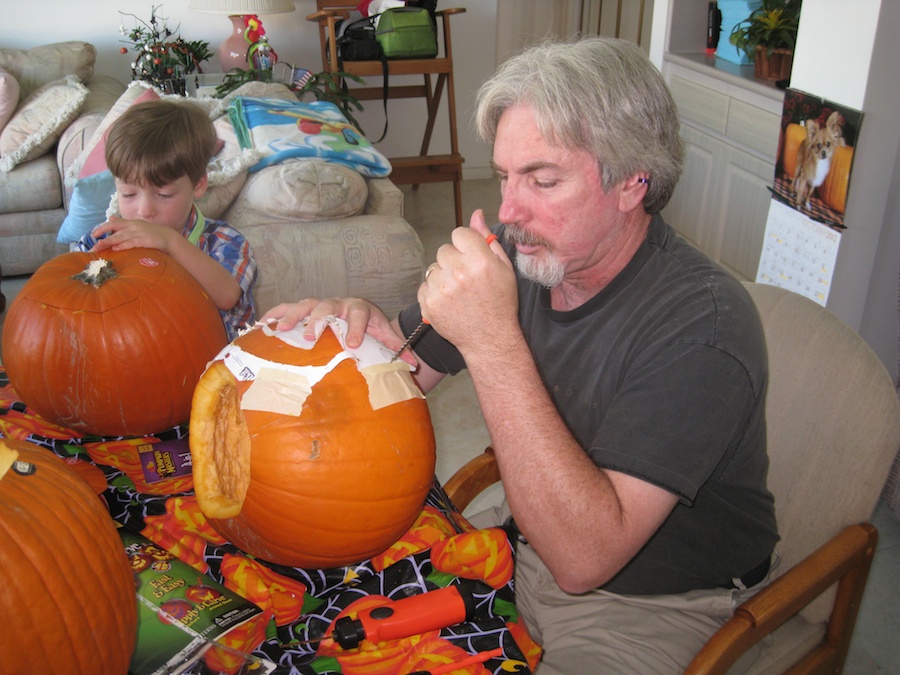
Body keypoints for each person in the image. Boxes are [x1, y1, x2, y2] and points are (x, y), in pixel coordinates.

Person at [263, 37, 778, 673]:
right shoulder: (527, 252)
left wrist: (491, 339)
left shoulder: (705, 328)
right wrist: (348, 329)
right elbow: (403, 370)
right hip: (525, 531)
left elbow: (584, 559)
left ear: (632, 184)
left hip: (650, 599)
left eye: (543, 179)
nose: (509, 210)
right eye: (506, 176)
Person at [74, 99, 257, 340]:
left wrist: (170, 243)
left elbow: (227, 296)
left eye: (163, 194)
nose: (145, 210)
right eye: (128, 194)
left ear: (198, 185)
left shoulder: (223, 241)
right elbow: (70, 295)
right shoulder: (102, 239)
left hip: (205, 366)